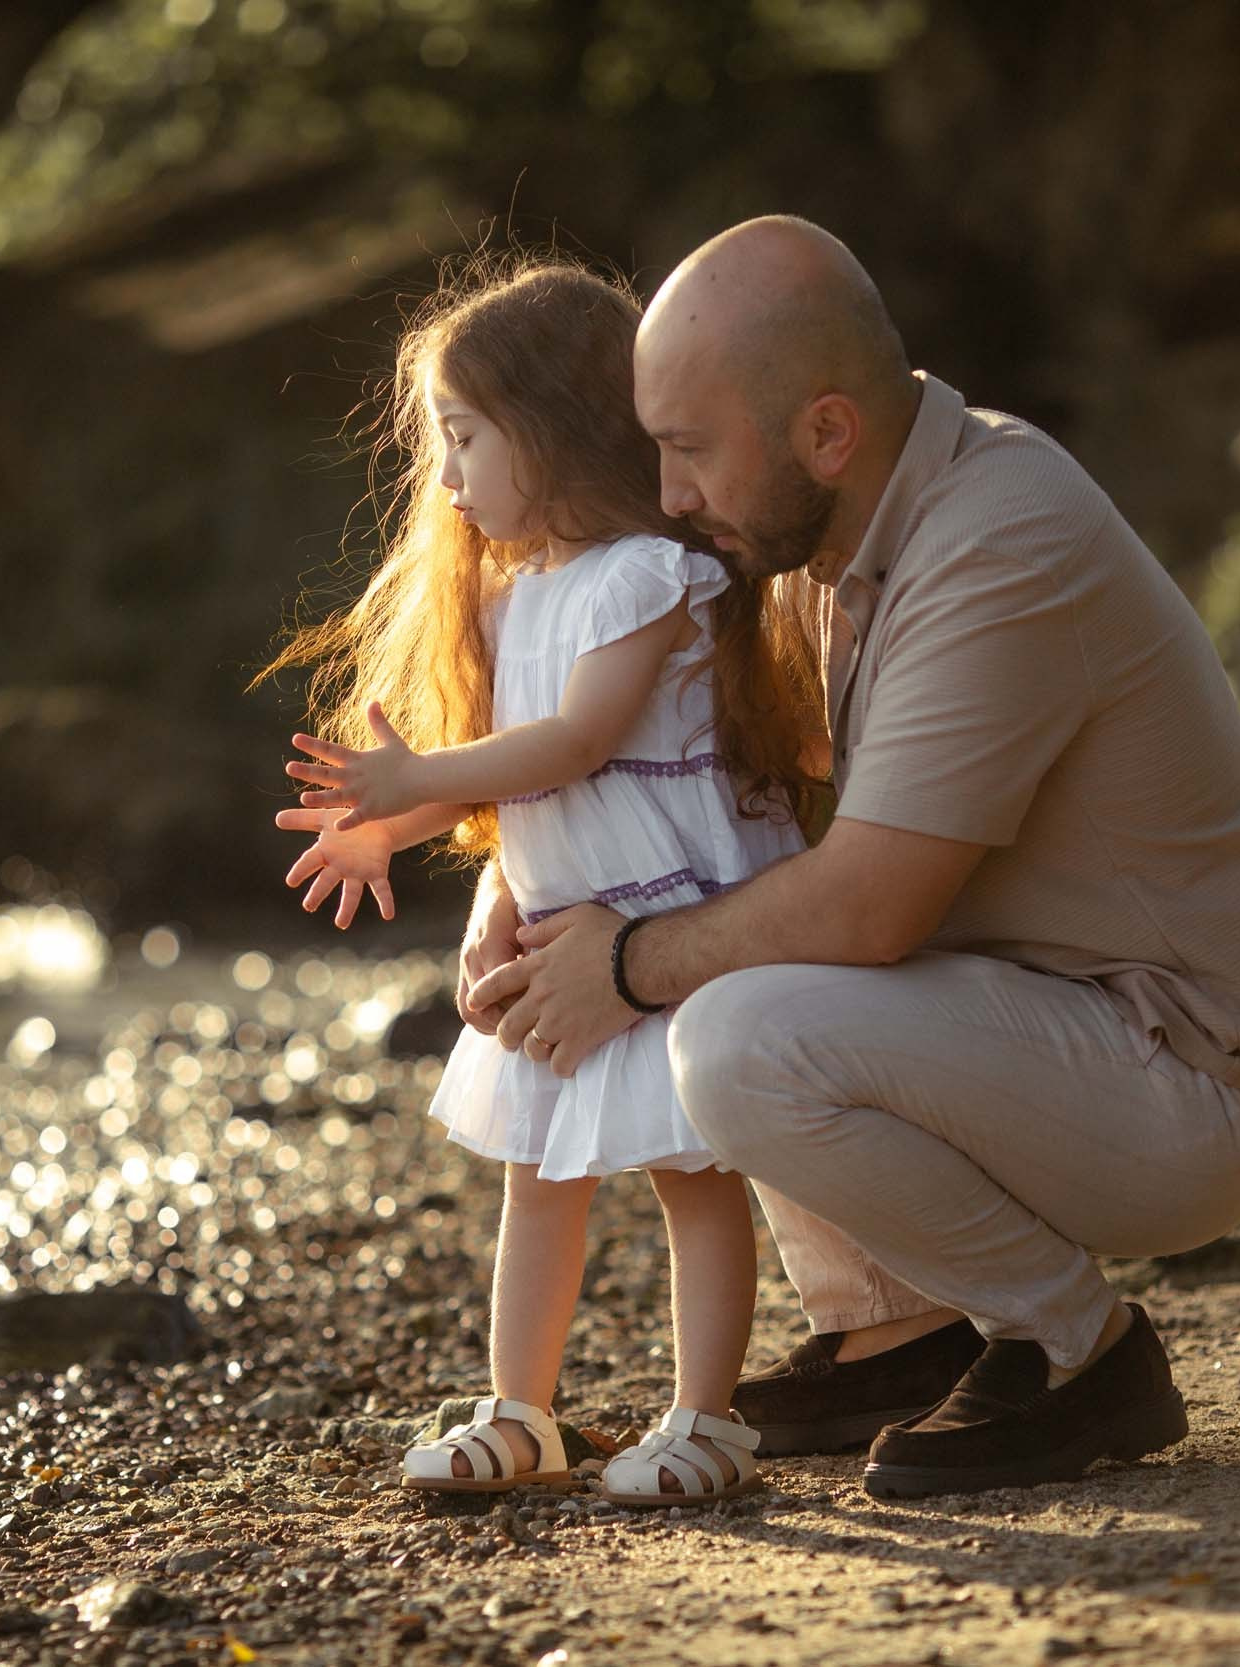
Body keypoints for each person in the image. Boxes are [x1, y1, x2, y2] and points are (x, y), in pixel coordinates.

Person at [464, 217, 1240, 1500]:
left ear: (827, 433)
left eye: (691, 449)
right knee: (729, 922)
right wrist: (511, 887)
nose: (669, 495)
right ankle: (896, 1334)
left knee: (731, 1028)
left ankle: (1076, 1346)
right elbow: (672, 776)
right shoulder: (813, 540)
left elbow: (869, 906)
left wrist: (625, 961)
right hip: (1029, 1027)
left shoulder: (997, 536)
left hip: (1186, 1074)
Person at [259, 256, 823, 1504]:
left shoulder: (646, 576)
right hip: (566, 931)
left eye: (462, 438)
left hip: (668, 919)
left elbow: (575, 742)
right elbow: (513, 774)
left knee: (691, 1174)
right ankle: (522, 1411)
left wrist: (415, 778)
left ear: (555, 427)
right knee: (539, 1173)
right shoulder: (515, 601)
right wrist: (394, 828)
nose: (445, 476)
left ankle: (706, 1416)